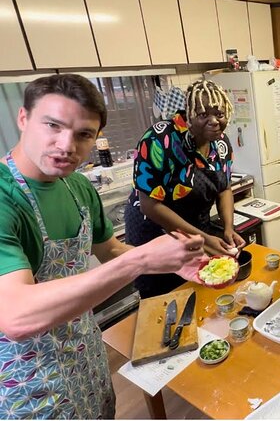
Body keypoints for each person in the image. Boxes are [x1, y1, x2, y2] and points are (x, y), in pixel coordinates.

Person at [0, 74, 205, 419]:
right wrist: (140, 259)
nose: (67, 145)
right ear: (24, 118)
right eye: (53, 125)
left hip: (84, 355)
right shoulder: (6, 198)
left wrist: (169, 263)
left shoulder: (77, 187)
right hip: (27, 382)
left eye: (84, 135)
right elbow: (16, 316)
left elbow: (109, 250)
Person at [125, 79, 246, 298]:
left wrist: (228, 227)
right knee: (165, 300)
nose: (214, 122)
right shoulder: (159, 139)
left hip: (196, 229)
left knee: (198, 294)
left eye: (219, 114)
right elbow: (150, 205)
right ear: (188, 114)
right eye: (202, 115)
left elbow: (224, 187)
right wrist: (203, 238)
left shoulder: (221, 142)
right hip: (156, 234)